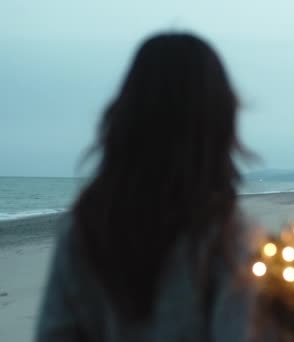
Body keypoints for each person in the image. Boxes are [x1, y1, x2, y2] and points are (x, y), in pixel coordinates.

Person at [35, 32, 255, 341]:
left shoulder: (81, 228)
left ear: (126, 116)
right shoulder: (223, 233)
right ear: (218, 123)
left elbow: (53, 333)